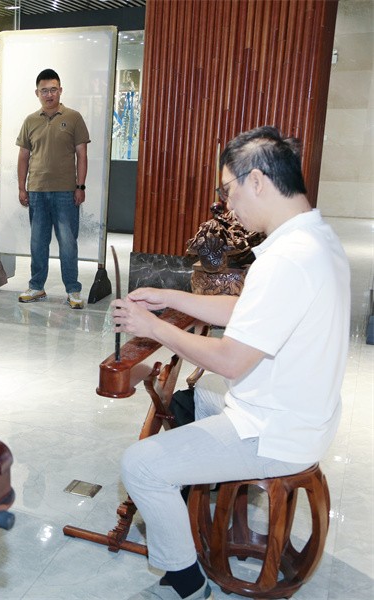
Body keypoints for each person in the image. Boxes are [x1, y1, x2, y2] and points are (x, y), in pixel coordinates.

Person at [113, 126, 350, 600]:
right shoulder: (314, 238)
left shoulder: (288, 258)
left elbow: (232, 361)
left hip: (277, 430)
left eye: (228, 190)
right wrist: (170, 297)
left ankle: (185, 583)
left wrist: (154, 327)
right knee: (197, 396)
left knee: (139, 465)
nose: (227, 205)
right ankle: (195, 503)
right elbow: (248, 310)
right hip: (305, 412)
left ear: (256, 180)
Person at [16, 68, 90, 309]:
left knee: (68, 243)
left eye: (53, 90)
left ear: (60, 90)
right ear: (37, 93)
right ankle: (36, 286)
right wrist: (22, 187)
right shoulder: (30, 121)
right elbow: (23, 157)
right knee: (38, 242)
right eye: (44, 91)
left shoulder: (74, 117)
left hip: (66, 192)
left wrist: (80, 186)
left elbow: (82, 155)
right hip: (36, 190)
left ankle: (73, 290)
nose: (49, 95)